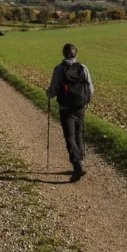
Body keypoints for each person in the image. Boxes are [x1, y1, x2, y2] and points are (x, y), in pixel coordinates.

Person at [46, 43, 94, 182]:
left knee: (70, 137)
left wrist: (48, 94)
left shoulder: (59, 69)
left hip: (65, 108)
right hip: (80, 107)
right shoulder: (83, 68)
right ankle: (80, 162)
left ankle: (77, 165)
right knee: (78, 134)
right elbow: (90, 89)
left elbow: (53, 90)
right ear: (75, 54)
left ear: (63, 54)